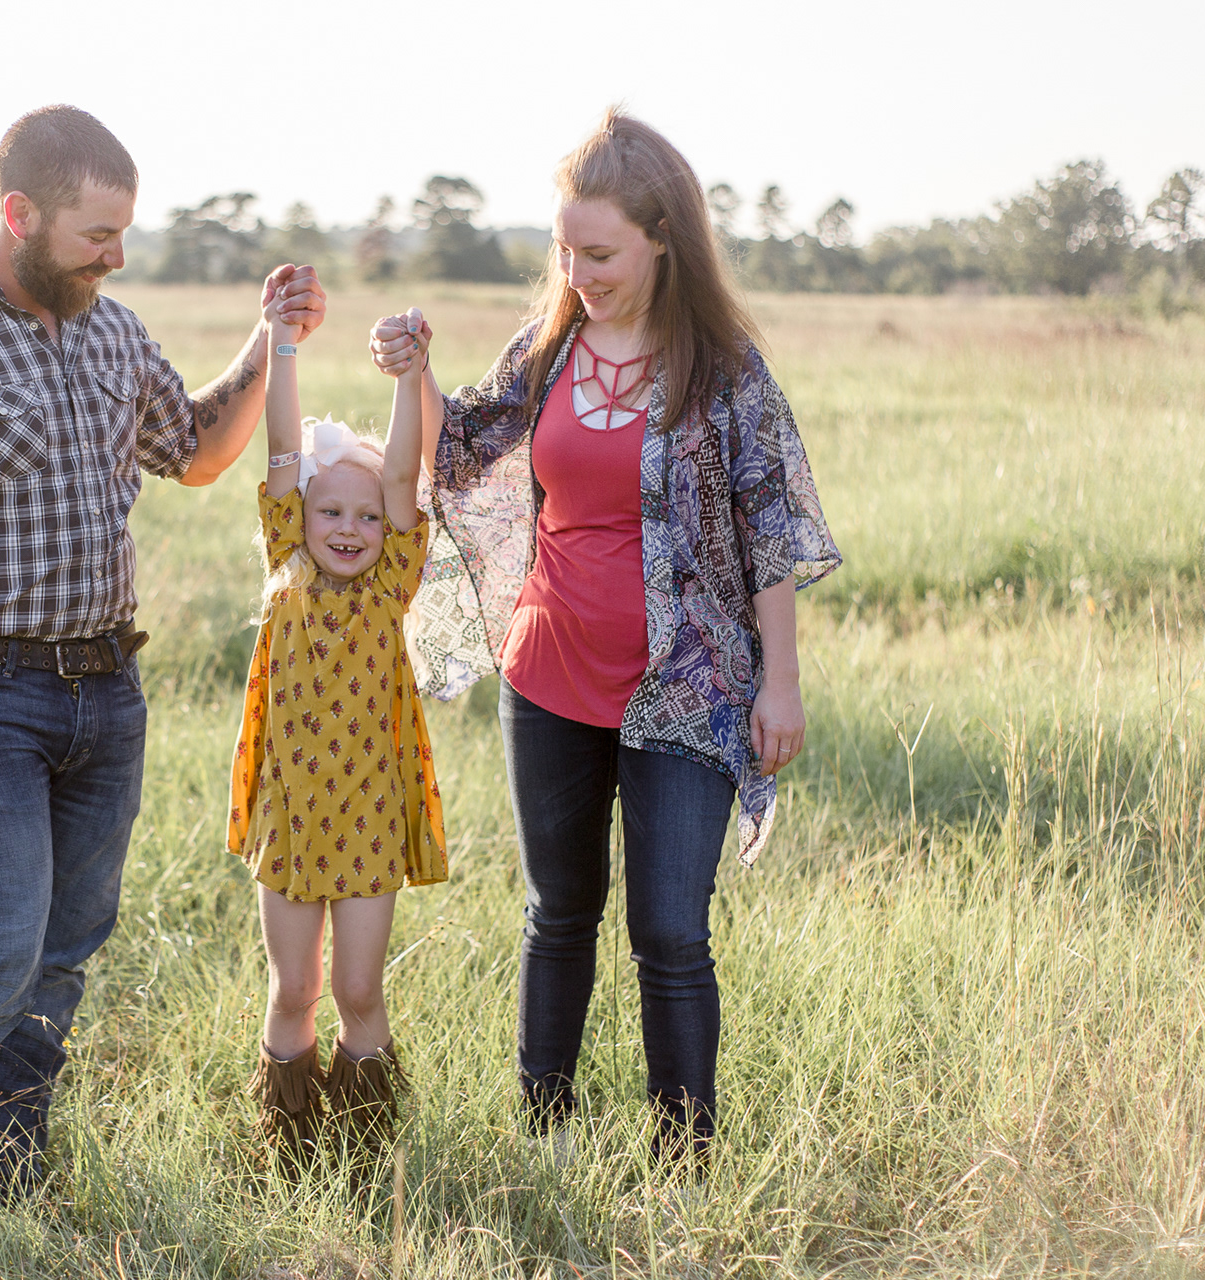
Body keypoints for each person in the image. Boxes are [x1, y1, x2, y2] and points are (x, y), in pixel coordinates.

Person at [0, 105, 327, 1238]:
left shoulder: (111, 333)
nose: (117, 255)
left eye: (123, 231)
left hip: (108, 693)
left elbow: (197, 449)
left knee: (61, 957)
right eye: (98, 234)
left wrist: (272, 338)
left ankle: (13, 1186)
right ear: (19, 213)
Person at [369, 108, 839, 1167]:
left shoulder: (724, 370)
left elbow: (770, 528)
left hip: (688, 684)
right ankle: (548, 1136)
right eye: (564, 251)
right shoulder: (548, 349)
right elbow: (461, 447)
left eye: (600, 253)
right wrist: (414, 372)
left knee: (670, 929)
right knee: (559, 912)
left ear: (662, 239)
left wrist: (782, 683)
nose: (577, 274)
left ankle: (685, 1163)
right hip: (549, 674)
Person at [228, 303, 448, 1176]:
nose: (349, 529)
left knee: (358, 989)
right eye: (331, 514)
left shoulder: (391, 583)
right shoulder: (287, 564)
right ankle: (287, 1153)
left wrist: (408, 376)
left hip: (368, 815)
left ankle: (363, 1161)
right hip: (290, 811)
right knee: (295, 989)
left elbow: (401, 473)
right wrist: (281, 345)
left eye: (365, 517)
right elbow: (284, 449)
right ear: (303, 518)